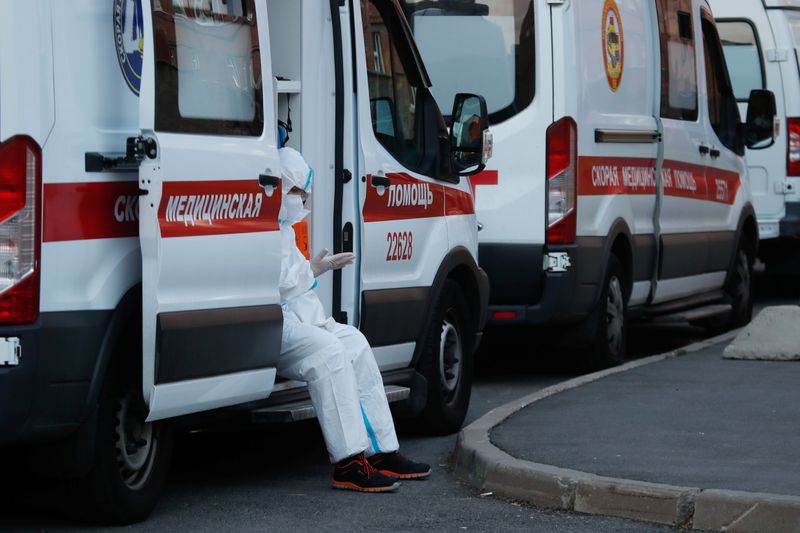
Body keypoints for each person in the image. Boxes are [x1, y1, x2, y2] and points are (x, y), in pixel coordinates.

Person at [276, 145, 431, 493]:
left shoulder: (284, 228)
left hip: (302, 319)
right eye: (297, 191)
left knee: (356, 344)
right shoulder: (262, 229)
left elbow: (293, 282)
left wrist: (310, 271)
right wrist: (312, 270)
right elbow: (280, 285)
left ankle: (382, 452)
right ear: (282, 188)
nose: (302, 199)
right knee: (329, 353)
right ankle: (348, 462)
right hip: (278, 325)